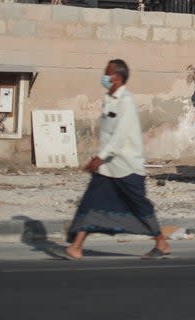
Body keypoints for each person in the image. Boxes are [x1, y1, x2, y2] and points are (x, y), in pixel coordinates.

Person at [63, 59, 171, 261]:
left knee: (139, 206)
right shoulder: (109, 99)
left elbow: (120, 137)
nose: (104, 77)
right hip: (107, 167)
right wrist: (101, 159)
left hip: (127, 166)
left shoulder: (126, 102)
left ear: (118, 77)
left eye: (108, 73)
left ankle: (161, 242)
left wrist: (99, 158)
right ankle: (76, 246)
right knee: (90, 202)